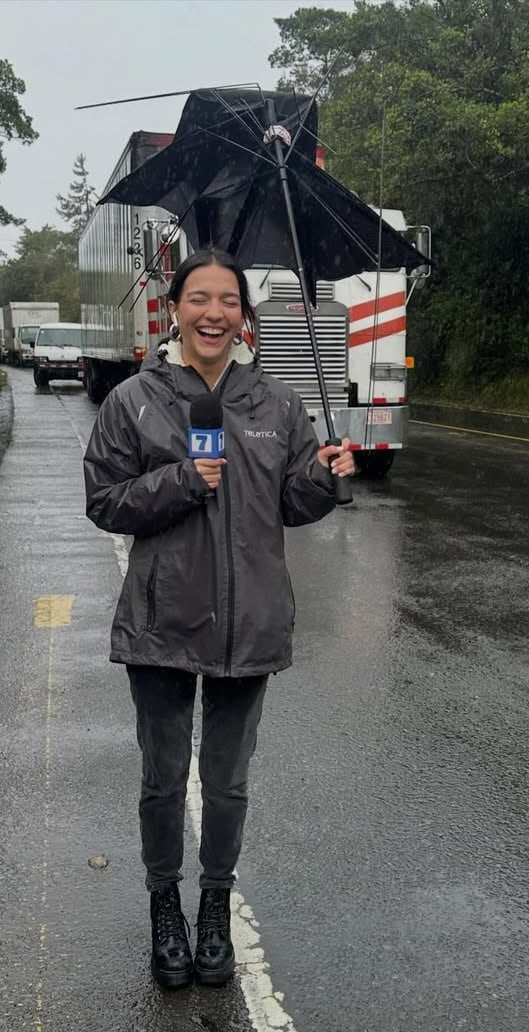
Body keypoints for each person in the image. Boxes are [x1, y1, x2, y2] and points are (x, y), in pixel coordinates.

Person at [83, 248, 355, 989]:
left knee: (228, 783)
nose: (214, 313)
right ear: (174, 309)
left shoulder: (277, 402)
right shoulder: (133, 401)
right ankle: (164, 907)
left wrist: (326, 479)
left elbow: (292, 504)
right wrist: (180, 481)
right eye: (198, 298)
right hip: (161, 623)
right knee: (163, 780)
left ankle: (213, 908)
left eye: (228, 301)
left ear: (244, 316)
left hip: (249, 623)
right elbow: (104, 500)